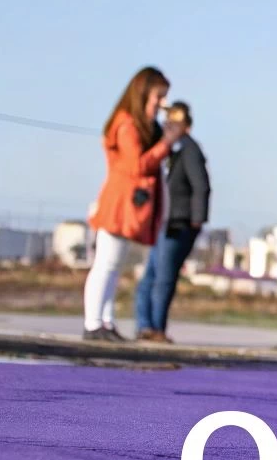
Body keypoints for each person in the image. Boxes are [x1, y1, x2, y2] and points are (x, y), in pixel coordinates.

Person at [82, 67, 184, 341]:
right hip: (119, 203)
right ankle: (93, 324)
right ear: (143, 95)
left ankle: (105, 321)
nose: (161, 104)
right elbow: (136, 165)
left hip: (132, 206)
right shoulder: (126, 124)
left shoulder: (145, 126)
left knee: (114, 265)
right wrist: (166, 143)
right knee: (105, 263)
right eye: (157, 98)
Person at [133, 101, 211, 343]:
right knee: (150, 277)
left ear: (185, 125)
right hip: (163, 223)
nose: (168, 126)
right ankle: (145, 325)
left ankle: (156, 328)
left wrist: (196, 220)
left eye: (174, 122)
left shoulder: (189, 149)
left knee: (164, 279)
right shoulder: (170, 149)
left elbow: (201, 186)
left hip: (179, 223)